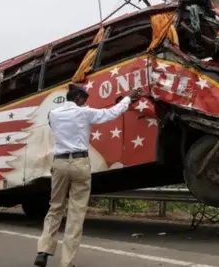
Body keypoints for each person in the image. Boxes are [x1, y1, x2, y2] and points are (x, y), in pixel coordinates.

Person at [34, 83, 143, 267]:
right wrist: (128, 97)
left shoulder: (53, 114)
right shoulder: (85, 113)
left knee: (55, 207)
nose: (86, 103)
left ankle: (43, 251)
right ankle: (67, 262)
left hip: (59, 163)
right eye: (85, 99)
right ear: (78, 98)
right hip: (80, 163)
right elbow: (112, 113)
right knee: (76, 213)